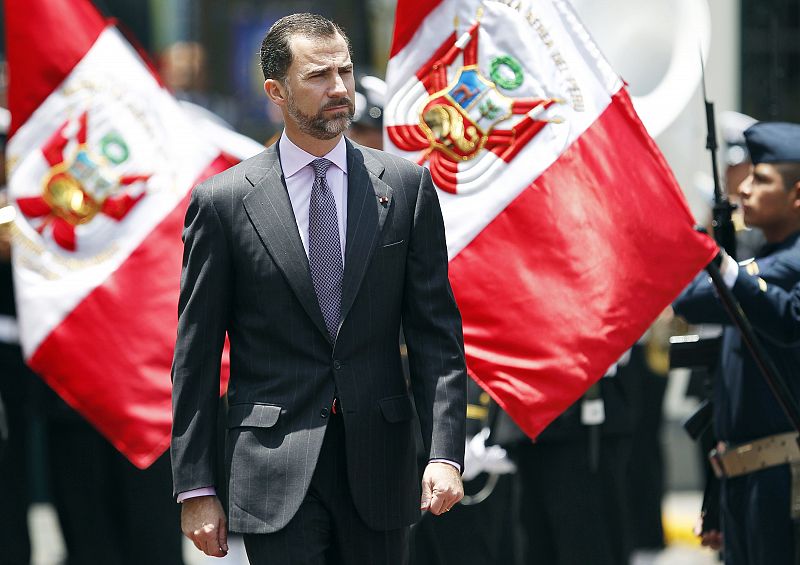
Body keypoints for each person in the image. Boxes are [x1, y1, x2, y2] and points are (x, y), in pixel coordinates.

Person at [170, 13, 467, 565]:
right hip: (271, 468)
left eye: (346, 72)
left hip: (380, 466)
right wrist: (196, 487)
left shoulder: (405, 187)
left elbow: (437, 336)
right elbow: (196, 357)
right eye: (318, 76)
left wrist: (445, 453)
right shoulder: (224, 202)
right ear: (276, 92)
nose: (338, 89)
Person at [673, 121, 800, 564]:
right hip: (743, 479)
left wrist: (722, 264)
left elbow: (699, 299)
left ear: (797, 195)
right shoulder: (761, 261)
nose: (743, 188)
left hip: (785, 481)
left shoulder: (789, 264)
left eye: (761, 179)